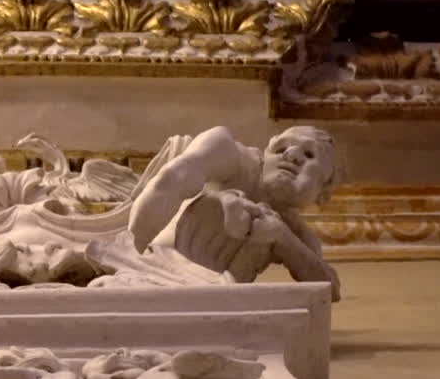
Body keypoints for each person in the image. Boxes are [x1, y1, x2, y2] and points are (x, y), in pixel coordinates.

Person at [127, 125, 341, 300]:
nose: (291, 154)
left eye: (309, 154)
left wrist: (282, 238)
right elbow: (172, 179)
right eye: (280, 148)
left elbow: (329, 289)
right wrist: (133, 253)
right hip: (150, 267)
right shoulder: (232, 157)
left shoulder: (295, 232)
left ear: (321, 193)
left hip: (206, 300)